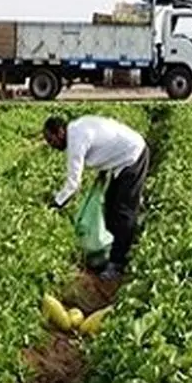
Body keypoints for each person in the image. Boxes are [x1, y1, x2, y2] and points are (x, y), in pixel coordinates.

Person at [44, 115, 150, 281]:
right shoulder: (78, 127)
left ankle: (117, 264)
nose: (52, 145)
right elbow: (104, 142)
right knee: (110, 206)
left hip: (132, 157)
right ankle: (116, 247)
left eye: (51, 140)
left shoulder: (75, 140)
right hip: (124, 157)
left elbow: (73, 184)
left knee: (123, 212)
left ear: (60, 132)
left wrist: (56, 204)